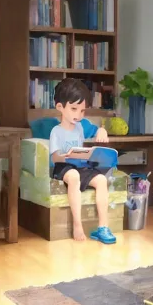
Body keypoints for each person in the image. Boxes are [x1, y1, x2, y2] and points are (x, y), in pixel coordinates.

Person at [49, 77, 116, 244]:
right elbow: (54, 158)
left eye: (82, 111)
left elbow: (97, 130)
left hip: (80, 166)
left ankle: (103, 227)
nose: (78, 115)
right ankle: (77, 225)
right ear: (60, 107)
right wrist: (67, 156)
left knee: (101, 180)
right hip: (63, 167)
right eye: (74, 109)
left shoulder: (81, 126)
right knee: (74, 176)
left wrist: (102, 131)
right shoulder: (56, 131)